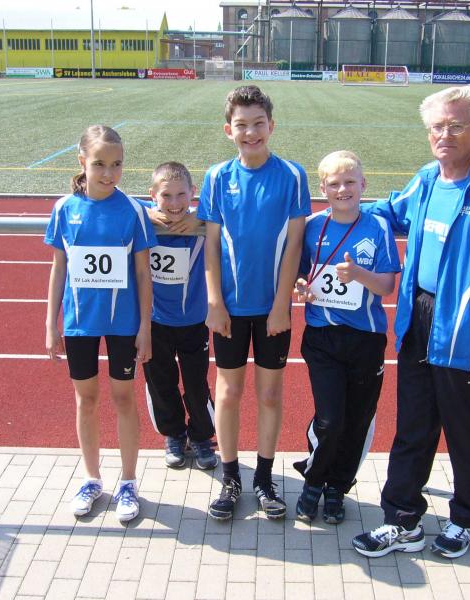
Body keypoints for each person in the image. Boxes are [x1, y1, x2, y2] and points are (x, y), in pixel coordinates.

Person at [352, 85, 470, 558]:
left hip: (468, 330)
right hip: (418, 320)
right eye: (437, 126)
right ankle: (401, 519)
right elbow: (390, 211)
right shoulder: (425, 180)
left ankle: (467, 518)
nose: (444, 135)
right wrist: (342, 206)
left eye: (456, 126)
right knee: (412, 427)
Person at [198, 85, 311, 520]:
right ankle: (231, 478)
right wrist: (214, 300)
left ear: (271, 126)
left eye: (258, 124)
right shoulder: (216, 177)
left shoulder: (293, 176)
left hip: (272, 310)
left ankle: (264, 478)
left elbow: (295, 244)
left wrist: (282, 305)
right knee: (228, 393)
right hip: (228, 308)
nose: (251, 133)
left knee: (269, 394)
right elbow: (211, 245)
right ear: (228, 130)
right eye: (241, 125)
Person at [44, 125, 156, 523]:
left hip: (123, 324)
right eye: (99, 164)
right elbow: (59, 269)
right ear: (82, 162)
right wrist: (50, 323)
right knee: (86, 400)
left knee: (123, 399)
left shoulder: (133, 210)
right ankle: (91, 479)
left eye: (117, 164)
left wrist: (145, 327)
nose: (109, 173)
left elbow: (143, 273)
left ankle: (128, 482)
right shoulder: (64, 209)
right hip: (80, 323)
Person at [292, 151, 400, 524]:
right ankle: (313, 480)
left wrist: (358, 275)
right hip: (322, 336)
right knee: (330, 419)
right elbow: (299, 274)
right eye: (334, 184)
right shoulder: (311, 227)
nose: (343, 190)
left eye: (350, 182)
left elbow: (386, 285)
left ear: (363, 185)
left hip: (366, 339)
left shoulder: (378, 227)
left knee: (356, 420)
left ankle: (337, 486)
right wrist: (300, 286)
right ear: (323, 188)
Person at [139, 162, 217, 470]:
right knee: (161, 382)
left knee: (196, 384)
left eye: (181, 195)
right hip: (155, 321)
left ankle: (201, 436)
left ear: (193, 193)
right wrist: (146, 212)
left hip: (194, 321)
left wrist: (200, 215)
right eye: (166, 196)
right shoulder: (143, 216)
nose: (174, 203)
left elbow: (228, 210)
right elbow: (117, 199)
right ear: (152, 195)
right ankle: (174, 434)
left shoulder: (202, 222)